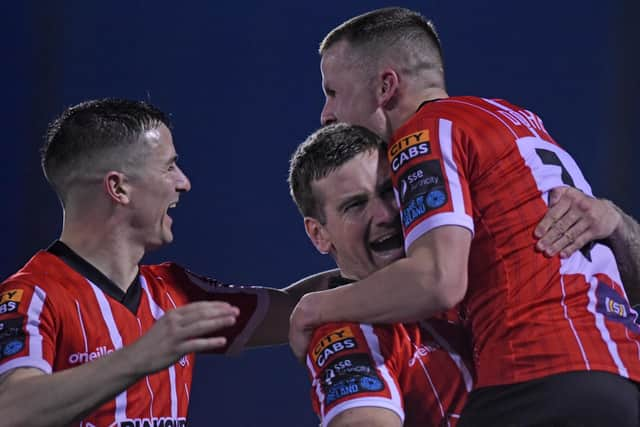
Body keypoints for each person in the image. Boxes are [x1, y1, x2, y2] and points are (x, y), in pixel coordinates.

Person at [289, 7, 640, 426]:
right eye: (354, 204)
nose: (327, 114)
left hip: (537, 380)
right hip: (622, 377)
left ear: (385, 86)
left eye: (333, 91)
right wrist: (618, 224)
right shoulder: (518, 121)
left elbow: (437, 280)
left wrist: (314, 310)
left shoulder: (423, 132)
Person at [0, 98, 306, 427]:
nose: (183, 182)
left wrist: (366, 272)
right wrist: (141, 354)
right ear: (118, 187)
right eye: (169, 166)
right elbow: (11, 410)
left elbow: (304, 310)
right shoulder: (31, 295)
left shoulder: (177, 291)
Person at [289, 123, 473, 427]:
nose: (386, 214)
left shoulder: (466, 265)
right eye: (355, 205)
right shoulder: (345, 331)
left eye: (390, 190)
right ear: (319, 234)